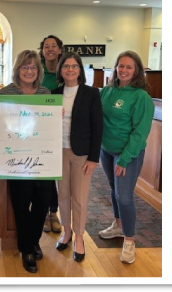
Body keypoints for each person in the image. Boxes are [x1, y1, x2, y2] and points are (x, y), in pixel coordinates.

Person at [98, 50, 154, 264]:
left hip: (126, 153)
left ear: (137, 70)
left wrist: (124, 159)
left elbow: (140, 133)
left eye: (129, 67)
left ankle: (129, 241)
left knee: (124, 196)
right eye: (121, 66)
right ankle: (118, 226)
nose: (124, 70)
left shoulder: (141, 97)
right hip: (106, 150)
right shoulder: (107, 91)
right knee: (114, 189)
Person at [0, 50, 52, 273]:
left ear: (38, 71)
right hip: (17, 159)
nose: (29, 71)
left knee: (42, 203)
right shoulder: (5, 93)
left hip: (45, 158)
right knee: (21, 205)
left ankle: (34, 240)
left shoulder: (46, 92)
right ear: (17, 69)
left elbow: (50, 126)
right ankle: (26, 248)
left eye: (33, 68)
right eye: (25, 67)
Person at [51, 52, 103, 262]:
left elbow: (97, 127)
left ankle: (79, 237)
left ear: (80, 70)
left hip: (81, 154)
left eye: (74, 66)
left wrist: (93, 157)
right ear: (60, 70)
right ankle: (66, 232)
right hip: (58, 151)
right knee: (62, 194)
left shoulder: (91, 94)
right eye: (66, 66)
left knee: (79, 197)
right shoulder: (53, 93)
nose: (70, 70)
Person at [38, 34, 65, 233]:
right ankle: (44, 213)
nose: (50, 49)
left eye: (53, 46)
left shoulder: (65, 70)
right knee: (44, 173)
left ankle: (53, 213)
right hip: (39, 127)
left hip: (61, 127)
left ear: (59, 49)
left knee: (55, 173)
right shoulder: (36, 70)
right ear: (42, 50)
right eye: (46, 46)